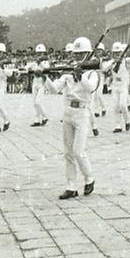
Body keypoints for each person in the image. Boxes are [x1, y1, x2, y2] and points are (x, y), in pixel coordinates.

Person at [45, 36, 97, 199]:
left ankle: (89, 178)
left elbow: (91, 89)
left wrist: (80, 75)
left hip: (82, 113)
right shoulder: (68, 74)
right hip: (68, 113)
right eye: (76, 54)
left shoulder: (92, 73)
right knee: (68, 152)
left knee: (78, 150)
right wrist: (44, 77)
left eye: (81, 54)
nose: (78, 57)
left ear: (88, 54)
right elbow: (54, 89)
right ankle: (71, 186)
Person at [109, 41, 130, 133]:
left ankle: (127, 121)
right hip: (115, 86)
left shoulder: (126, 61)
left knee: (123, 105)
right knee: (115, 106)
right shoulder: (111, 62)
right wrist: (113, 62)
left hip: (123, 86)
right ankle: (117, 125)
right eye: (115, 53)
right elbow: (105, 67)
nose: (116, 54)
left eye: (118, 52)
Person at [28, 44, 49, 127]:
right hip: (35, 81)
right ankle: (37, 120)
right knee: (34, 103)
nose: (39, 55)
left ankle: (45, 116)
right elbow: (29, 68)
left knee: (38, 102)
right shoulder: (35, 62)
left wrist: (39, 63)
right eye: (38, 53)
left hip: (41, 82)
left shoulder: (45, 62)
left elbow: (46, 69)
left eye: (41, 53)